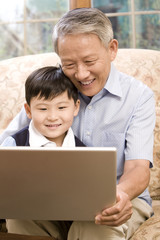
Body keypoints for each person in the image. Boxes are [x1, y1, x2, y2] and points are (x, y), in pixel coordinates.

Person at [0, 7, 155, 240]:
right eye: (69, 64)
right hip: (50, 199)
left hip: (118, 200)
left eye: (89, 61)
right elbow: (7, 148)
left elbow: (137, 168)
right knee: (21, 218)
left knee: (92, 227)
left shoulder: (138, 96)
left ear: (112, 49)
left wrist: (120, 194)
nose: (81, 74)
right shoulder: (50, 91)